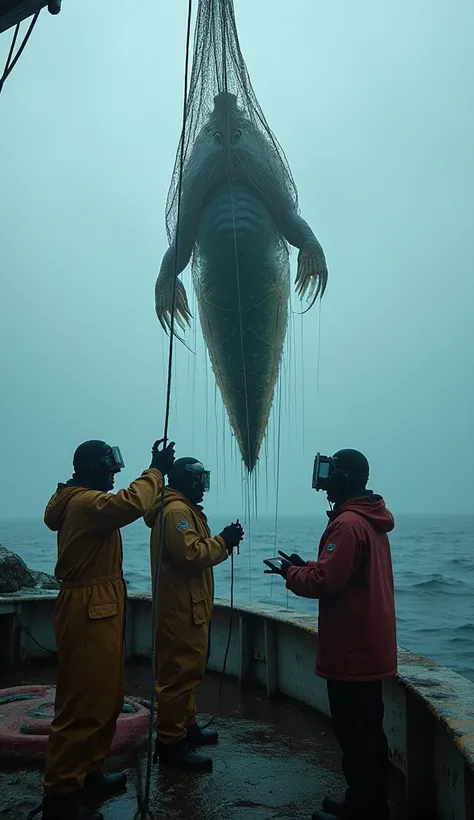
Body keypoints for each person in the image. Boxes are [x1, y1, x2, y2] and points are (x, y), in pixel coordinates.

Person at [42, 437, 176, 820]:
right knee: (82, 702)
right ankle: (61, 793)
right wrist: (156, 470)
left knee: (106, 696)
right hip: (87, 608)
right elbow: (131, 504)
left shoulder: (85, 503)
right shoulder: (85, 504)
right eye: (108, 462)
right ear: (87, 466)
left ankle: (88, 771)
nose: (115, 469)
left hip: (100, 606)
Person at [264, 449, 397, 820]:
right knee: (368, 732)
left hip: (353, 650)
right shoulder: (368, 520)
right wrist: (303, 566)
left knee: (358, 736)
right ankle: (368, 802)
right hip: (370, 645)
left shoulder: (347, 524)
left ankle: (364, 809)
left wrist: (290, 574)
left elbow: (326, 581)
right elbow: (340, 573)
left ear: (347, 478)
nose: (324, 481)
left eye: (330, 472)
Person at [144, 457, 244, 771]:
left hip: (190, 607)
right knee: (177, 678)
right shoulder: (176, 512)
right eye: (200, 481)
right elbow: (190, 554)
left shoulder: (185, 509)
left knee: (189, 674)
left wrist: (220, 541)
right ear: (186, 481)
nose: (204, 487)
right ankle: (171, 745)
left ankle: (186, 728)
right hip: (179, 611)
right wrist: (224, 542)